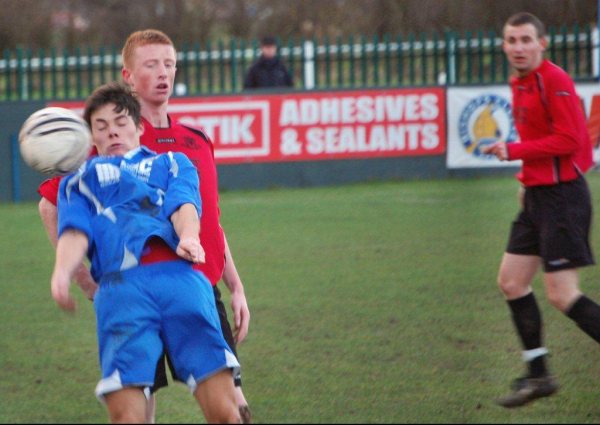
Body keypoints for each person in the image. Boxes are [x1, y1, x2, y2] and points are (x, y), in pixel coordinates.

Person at [38, 29, 252, 423]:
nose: (163, 73)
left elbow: (205, 218)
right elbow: (58, 210)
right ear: (129, 76)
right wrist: (81, 279)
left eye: (169, 64)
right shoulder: (102, 147)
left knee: (234, 407)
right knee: (137, 409)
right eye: (151, 65)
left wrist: (235, 285)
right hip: (127, 288)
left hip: (197, 286)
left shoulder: (192, 144)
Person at [482, 12, 600, 408]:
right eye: (511, 40)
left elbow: (569, 140)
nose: (518, 47)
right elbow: (540, 139)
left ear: (541, 44)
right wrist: (524, 182)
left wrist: (513, 152)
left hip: (563, 199)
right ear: (504, 44)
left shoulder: (555, 80)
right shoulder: (519, 82)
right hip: (536, 197)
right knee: (511, 282)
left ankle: (539, 374)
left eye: (525, 40)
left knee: (563, 295)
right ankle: (539, 374)